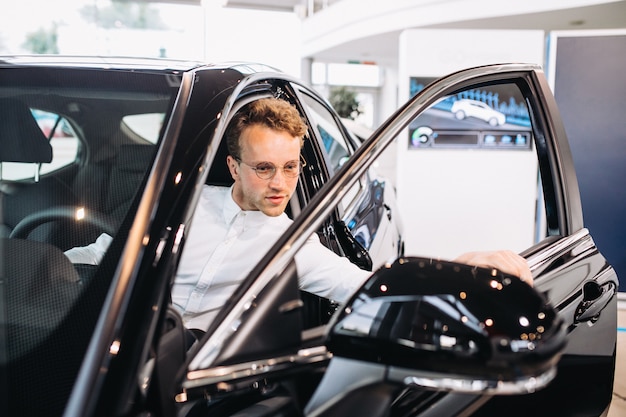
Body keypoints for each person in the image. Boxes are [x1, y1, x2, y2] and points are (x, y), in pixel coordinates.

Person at [65, 97, 532, 330]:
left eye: (291, 168)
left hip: (190, 379)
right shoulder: (180, 208)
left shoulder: (295, 243)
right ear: (232, 167)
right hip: (116, 349)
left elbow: (367, 286)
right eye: (264, 168)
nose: (281, 184)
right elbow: (100, 255)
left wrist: (460, 268)